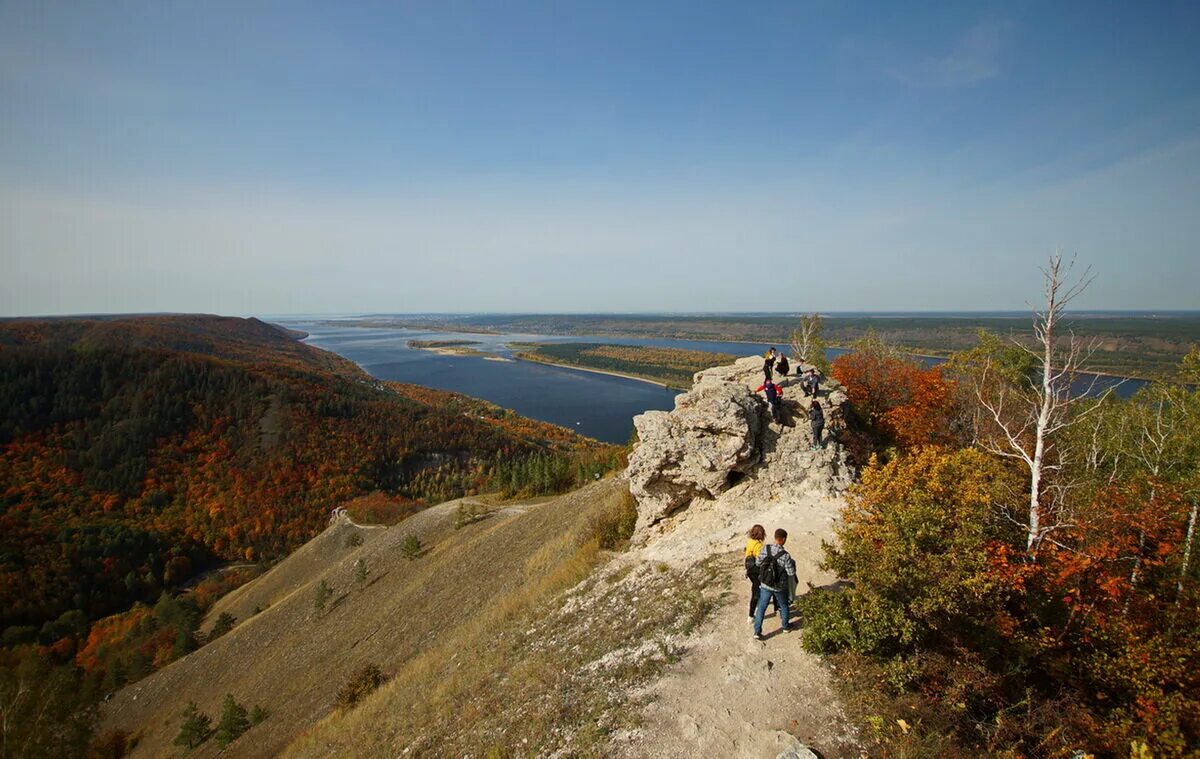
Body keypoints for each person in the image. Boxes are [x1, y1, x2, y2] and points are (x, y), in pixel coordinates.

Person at [753, 528, 796, 640]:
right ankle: (786, 627)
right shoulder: (785, 555)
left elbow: (758, 563)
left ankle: (757, 632)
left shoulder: (765, 548)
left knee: (762, 607)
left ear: (775, 537)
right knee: (784, 605)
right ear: (783, 539)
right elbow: (791, 572)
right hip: (779, 586)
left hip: (765, 583)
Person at [744, 524, 779, 619]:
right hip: (756, 570)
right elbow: (761, 560)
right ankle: (751, 615)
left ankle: (754, 603)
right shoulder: (759, 546)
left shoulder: (750, 541)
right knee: (757, 590)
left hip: (749, 569)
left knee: (755, 587)